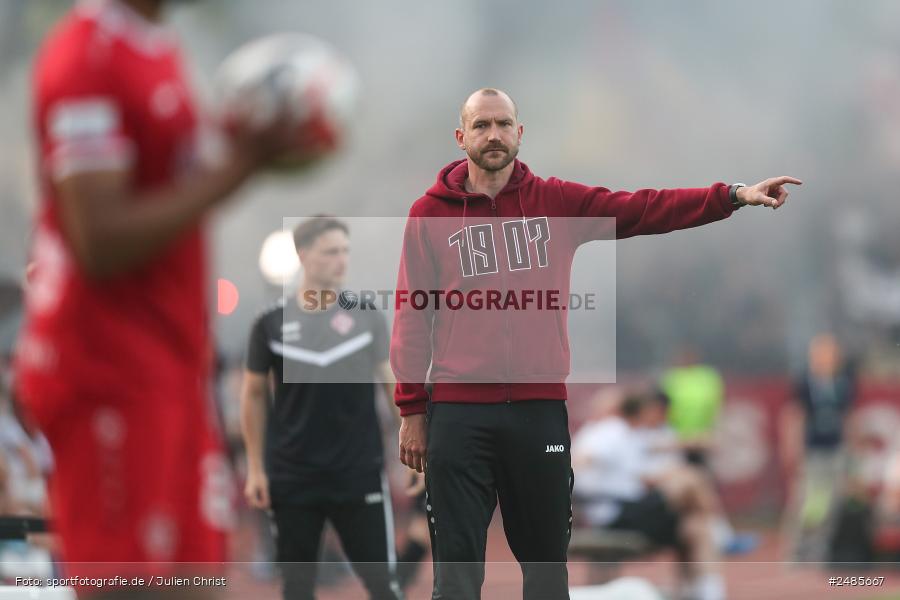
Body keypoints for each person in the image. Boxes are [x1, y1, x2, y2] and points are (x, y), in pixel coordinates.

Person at [391, 87, 802, 600]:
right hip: (457, 414)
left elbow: (642, 209)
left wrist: (731, 196)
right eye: (481, 126)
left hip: (537, 412)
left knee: (546, 577)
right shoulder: (429, 213)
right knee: (456, 579)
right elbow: (411, 316)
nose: (493, 135)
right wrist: (411, 409)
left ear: (520, 133)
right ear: (461, 137)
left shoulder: (556, 202)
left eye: (502, 124)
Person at [13, 0, 303, 597]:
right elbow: (98, 238)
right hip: (108, 369)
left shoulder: (158, 44)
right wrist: (242, 167)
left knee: (196, 581)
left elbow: (171, 182)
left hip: (171, 363)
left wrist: (244, 140)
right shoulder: (85, 57)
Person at [241, 216, 405, 600]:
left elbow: (391, 383)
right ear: (303, 255)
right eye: (331, 252)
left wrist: (412, 452)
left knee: (384, 585)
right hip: (293, 476)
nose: (341, 260)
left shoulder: (366, 315)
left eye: (345, 251)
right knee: (297, 587)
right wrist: (255, 468)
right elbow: (253, 397)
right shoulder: (268, 324)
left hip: (359, 472)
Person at [572, 391, 726, 600]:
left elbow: (643, 474)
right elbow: (582, 458)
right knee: (690, 479)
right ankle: (723, 532)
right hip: (616, 513)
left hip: (635, 510)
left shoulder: (633, 434)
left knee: (696, 527)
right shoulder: (611, 431)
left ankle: (709, 594)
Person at [780, 333, 858, 562]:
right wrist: (792, 447)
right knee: (807, 500)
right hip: (813, 448)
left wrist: (851, 447)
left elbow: (848, 416)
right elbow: (795, 416)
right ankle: (796, 548)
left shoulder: (843, 382)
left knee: (832, 500)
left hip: (835, 447)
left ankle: (820, 549)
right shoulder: (805, 382)